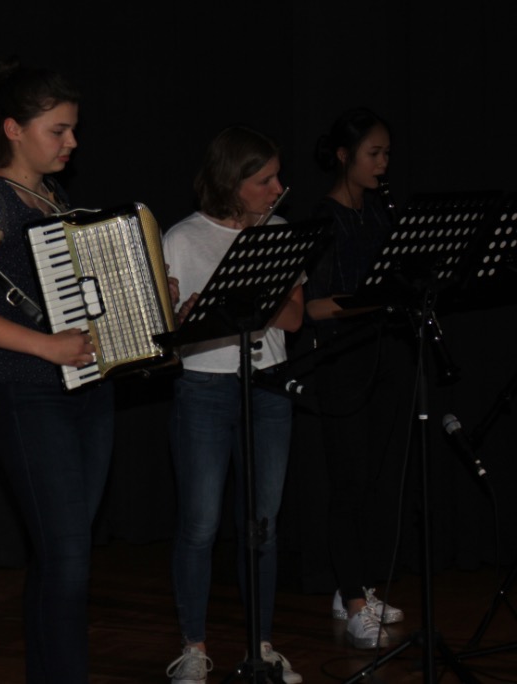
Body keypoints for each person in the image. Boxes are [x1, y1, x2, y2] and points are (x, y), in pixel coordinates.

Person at [0, 60, 110, 684]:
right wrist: (45, 347)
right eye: (58, 130)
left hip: (86, 390)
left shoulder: (53, 196)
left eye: (73, 129)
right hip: (27, 393)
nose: (72, 141)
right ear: (13, 129)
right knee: (68, 560)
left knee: (64, 558)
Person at [162, 126, 304, 684]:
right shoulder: (182, 237)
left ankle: (260, 645)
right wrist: (189, 317)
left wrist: (247, 294)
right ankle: (193, 647)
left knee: (262, 524)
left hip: (267, 386)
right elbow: (164, 333)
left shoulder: (280, 233)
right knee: (200, 523)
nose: (277, 188)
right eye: (264, 180)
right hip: (204, 387)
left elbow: (295, 318)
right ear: (232, 182)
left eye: (277, 177)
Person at [306, 107, 407, 649]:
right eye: (374, 153)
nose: (383, 163)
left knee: (373, 481)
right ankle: (353, 602)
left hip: (383, 358)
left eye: (387, 153)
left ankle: (356, 586)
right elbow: (313, 306)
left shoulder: (380, 215)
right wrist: (369, 301)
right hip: (342, 364)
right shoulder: (324, 220)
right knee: (348, 483)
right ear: (344, 156)